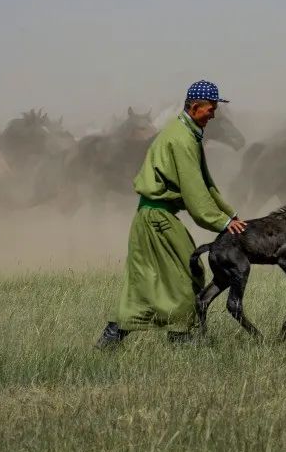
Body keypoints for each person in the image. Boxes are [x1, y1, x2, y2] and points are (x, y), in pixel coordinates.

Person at [95, 80, 247, 348]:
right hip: (156, 219)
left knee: (151, 282)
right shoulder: (181, 139)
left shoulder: (186, 134)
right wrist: (222, 222)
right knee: (185, 276)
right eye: (211, 109)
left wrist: (231, 215)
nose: (214, 114)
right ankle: (181, 339)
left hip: (155, 217)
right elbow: (195, 193)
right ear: (195, 106)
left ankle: (114, 337)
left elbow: (206, 185)